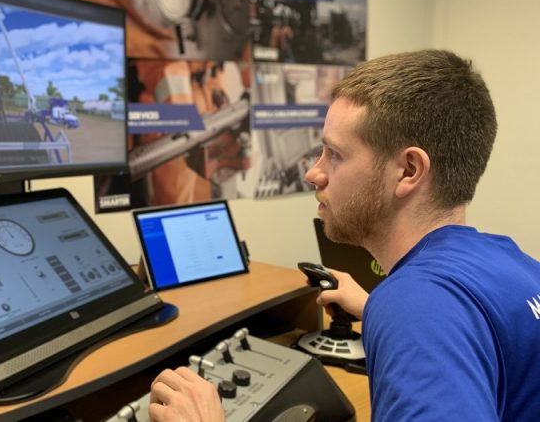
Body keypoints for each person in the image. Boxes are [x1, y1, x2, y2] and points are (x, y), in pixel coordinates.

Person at [147, 49, 540, 421]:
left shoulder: (418, 306)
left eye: (334, 154)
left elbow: (430, 317)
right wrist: (377, 309)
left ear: (408, 171)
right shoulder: (511, 262)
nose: (313, 173)